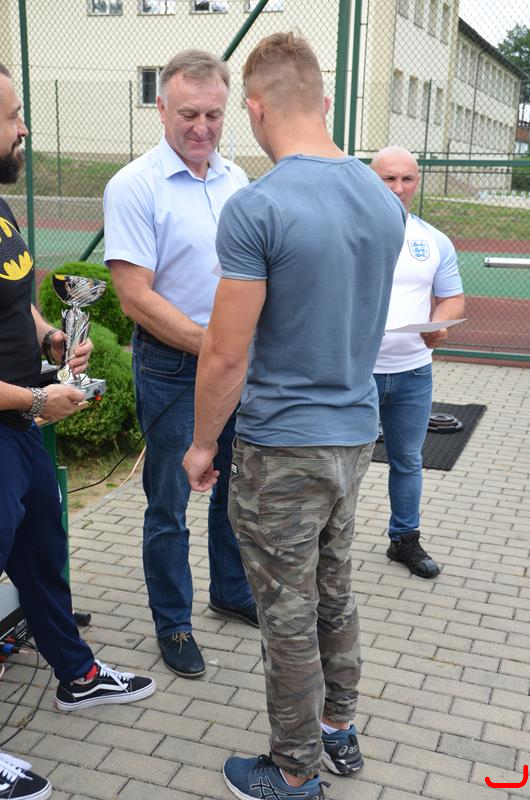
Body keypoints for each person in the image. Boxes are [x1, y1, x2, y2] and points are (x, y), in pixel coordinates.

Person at [183, 32, 405, 800]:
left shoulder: (259, 206)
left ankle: (293, 770)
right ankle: (339, 727)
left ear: (253, 109)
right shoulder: (382, 198)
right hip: (354, 435)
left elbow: (225, 354)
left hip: (282, 446)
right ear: (324, 101)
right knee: (334, 591)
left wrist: (202, 444)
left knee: (287, 611)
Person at [0, 64, 156, 800]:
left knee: (41, 557)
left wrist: (51, 342)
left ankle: (78, 675)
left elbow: (17, 304)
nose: (23, 128)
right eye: (12, 116)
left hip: (20, 426)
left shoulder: (0, 209)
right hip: (11, 420)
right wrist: (36, 399)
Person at [104, 50, 257, 680]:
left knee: (234, 487)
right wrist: (213, 347)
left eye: (213, 114)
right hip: (172, 366)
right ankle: (173, 621)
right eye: (189, 113)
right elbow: (134, 296)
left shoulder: (238, 179)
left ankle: (231, 590)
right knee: (169, 503)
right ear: (162, 109)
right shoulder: (134, 185)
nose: (202, 127)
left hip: (234, 363)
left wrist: (233, 352)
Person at [370, 146, 465, 578]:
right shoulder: (349, 235)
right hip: (357, 374)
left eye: (406, 179)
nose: (398, 188)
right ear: (371, 182)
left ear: (417, 182)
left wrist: (439, 324)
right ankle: (330, 544)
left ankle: (404, 540)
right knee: (344, 462)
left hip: (413, 371)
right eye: (388, 178)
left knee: (408, 460)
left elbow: (451, 297)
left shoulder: (433, 240)